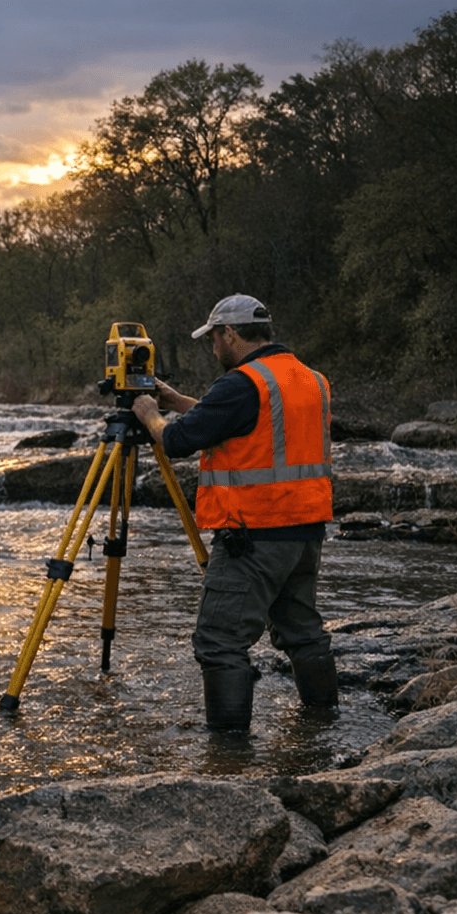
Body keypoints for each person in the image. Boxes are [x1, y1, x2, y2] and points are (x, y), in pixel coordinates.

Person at [131, 294, 338, 735]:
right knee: (302, 631)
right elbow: (245, 424)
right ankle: (324, 725)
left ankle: (228, 755)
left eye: (214, 339)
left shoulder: (241, 383)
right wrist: (177, 401)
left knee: (220, 642)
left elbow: (180, 442)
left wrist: (150, 415)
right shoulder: (308, 378)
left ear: (229, 333)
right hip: (304, 532)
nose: (212, 349)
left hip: (254, 534)